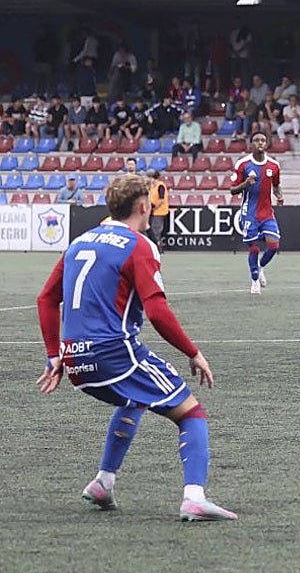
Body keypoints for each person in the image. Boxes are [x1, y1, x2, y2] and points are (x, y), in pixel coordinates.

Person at [35, 174, 237, 521]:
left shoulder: (79, 242)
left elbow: (46, 299)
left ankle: (103, 482)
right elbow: (157, 311)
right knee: (192, 414)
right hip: (115, 355)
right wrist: (193, 352)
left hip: (75, 362)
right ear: (144, 207)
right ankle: (194, 498)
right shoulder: (139, 244)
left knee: (138, 399)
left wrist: (54, 355)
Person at [228, 131, 283, 293]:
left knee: (273, 245)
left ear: (266, 144)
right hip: (249, 212)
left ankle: (260, 267)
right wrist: (245, 184)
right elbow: (232, 190)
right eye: (257, 140)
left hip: (267, 212)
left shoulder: (273, 165)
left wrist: (279, 196)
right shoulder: (243, 164)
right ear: (251, 144)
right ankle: (254, 282)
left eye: (263, 140)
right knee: (253, 248)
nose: (260, 143)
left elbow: (276, 185)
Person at [148, 169, 170, 247]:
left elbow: (161, 200)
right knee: (153, 231)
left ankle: (158, 247)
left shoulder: (160, 186)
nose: (150, 180)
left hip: (159, 211)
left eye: (151, 178)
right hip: (153, 211)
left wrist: (153, 208)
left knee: (156, 230)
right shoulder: (152, 187)